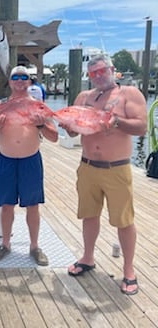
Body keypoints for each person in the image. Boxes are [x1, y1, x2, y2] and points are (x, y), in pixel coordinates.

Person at [61, 54, 147, 295]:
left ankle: (129, 270)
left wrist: (115, 121)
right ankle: (87, 257)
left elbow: (141, 127)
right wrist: (68, 126)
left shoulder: (129, 94)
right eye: (93, 73)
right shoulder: (83, 97)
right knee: (89, 215)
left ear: (112, 69)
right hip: (87, 166)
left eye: (102, 70)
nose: (98, 76)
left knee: (124, 220)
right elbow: (73, 134)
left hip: (116, 168)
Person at [0, 66, 58, 266]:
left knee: (33, 205)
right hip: (6, 159)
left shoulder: (38, 106)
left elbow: (54, 137)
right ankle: (5, 244)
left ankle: (34, 246)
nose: (20, 80)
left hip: (30, 160)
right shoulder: (0, 105)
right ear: (10, 81)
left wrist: (41, 125)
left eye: (25, 77)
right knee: (6, 205)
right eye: (16, 77)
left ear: (30, 82)